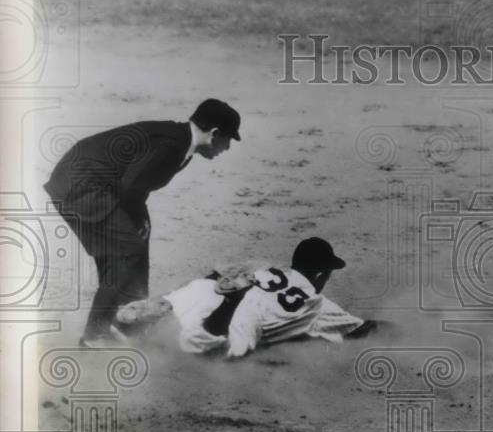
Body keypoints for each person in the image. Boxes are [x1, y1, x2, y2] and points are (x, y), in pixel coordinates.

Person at [44, 99, 241, 347]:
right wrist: (136, 216)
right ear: (214, 134)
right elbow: (130, 184)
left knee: (134, 244)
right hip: (81, 185)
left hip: (92, 183)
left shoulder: (181, 142)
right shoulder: (172, 145)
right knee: (126, 252)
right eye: (229, 139)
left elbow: (137, 183)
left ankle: (130, 320)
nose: (228, 147)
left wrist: (139, 217)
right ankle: (96, 334)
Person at [116, 237, 377, 359]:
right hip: (234, 322)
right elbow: (364, 330)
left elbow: (216, 277)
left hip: (205, 293)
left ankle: (140, 318)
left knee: (188, 296)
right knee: (212, 344)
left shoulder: (269, 270)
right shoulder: (318, 304)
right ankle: (222, 308)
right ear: (321, 274)